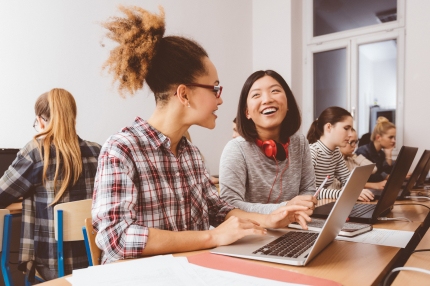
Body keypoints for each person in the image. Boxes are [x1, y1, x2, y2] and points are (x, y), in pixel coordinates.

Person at [92, 6, 312, 265]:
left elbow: (217, 210)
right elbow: (116, 238)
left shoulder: (192, 155)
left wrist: (270, 218)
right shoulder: (122, 149)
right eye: (215, 88)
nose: (220, 100)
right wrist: (210, 238)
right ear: (184, 94)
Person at [0, 88, 101, 281]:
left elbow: (2, 194)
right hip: (94, 260)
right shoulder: (97, 151)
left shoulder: (37, 152)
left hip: (54, 264)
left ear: (40, 121)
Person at [219, 70, 317, 214]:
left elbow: (308, 190)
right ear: (247, 112)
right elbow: (229, 205)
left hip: (296, 227)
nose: (267, 100)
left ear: (288, 103)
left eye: (275, 91)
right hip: (255, 232)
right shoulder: (236, 149)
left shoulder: (300, 142)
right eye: (256, 95)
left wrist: (302, 205)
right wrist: (285, 207)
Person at [306, 106, 374, 202]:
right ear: (329, 127)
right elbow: (309, 192)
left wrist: (357, 191)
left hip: (318, 205)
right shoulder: (312, 152)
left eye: (351, 129)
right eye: (346, 128)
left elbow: (348, 180)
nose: (350, 134)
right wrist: (343, 193)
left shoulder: (336, 153)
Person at [355, 117, 396, 182]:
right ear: (378, 137)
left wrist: (388, 155)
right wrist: (385, 176)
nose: (394, 141)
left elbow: (388, 172)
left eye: (394, 137)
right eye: (390, 137)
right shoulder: (363, 151)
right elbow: (365, 177)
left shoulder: (381, 153)